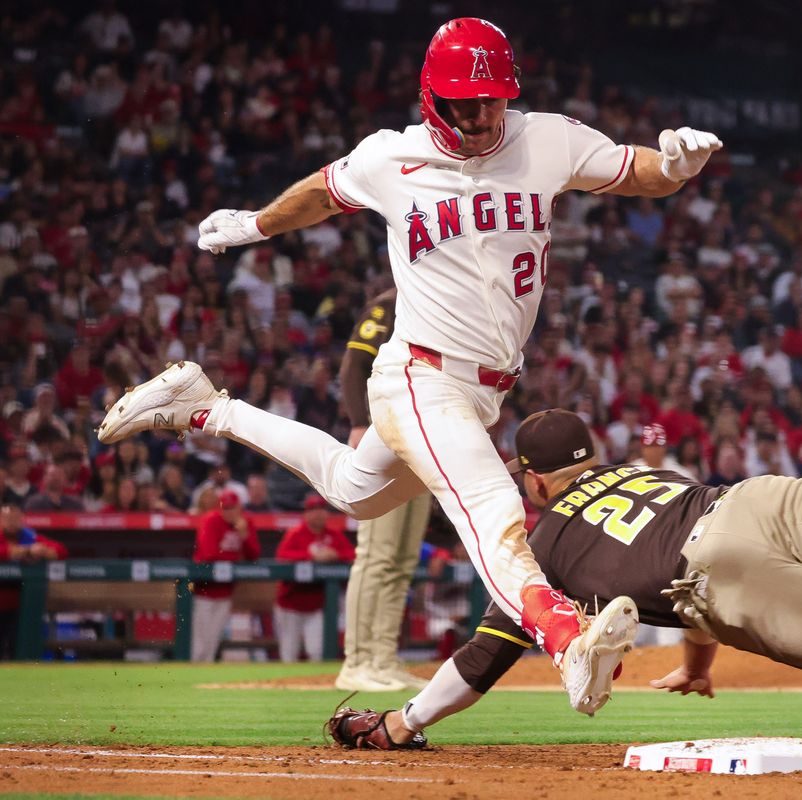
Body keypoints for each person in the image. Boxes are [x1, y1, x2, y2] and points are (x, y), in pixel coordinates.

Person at [97, 16, 722, 715]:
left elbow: (637, 171)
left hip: (481, 391)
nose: (484, 113)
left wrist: (674, 167)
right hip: (421, 375)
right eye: (468, 100)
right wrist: (253, 226)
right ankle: (567, 640)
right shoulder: (390, 158)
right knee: (492, 509)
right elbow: (320, 191)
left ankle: (206, 406)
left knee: (352, 490)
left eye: (494, 98)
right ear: (434, 97)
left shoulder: (545, 137)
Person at [327, 410, 802, 750]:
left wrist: (402, 724)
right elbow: (689, 545)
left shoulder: (536, 542)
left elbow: (484, 658)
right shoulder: (644, 470)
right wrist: (695, 665)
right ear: (591, 456)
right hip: (748, 498)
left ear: (532, 477)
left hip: (713, 576)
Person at [335, 288, 435, 692]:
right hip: (383, 438)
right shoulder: (392, 301)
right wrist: (359, 423)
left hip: (423, 442)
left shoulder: (437, 299)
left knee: (401, 560)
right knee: (375, 555)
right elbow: (353, 365)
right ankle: (356, 662)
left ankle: (382, 658)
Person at [274, 495, 356, 663]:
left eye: (322, 510)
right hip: (291, 605)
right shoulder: (296, 534)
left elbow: (352, 554)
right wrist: (311, 556)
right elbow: (282, 557)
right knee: (288, 653)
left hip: (317, 605)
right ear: (306, 514)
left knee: (317, 652)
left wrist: (335, 555)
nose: (318, 514)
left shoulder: (333, 535)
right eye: (313, 510)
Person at [191, 490, 261, 662]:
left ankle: (204, 675)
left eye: (233, 508)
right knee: (199, 641)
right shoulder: (211, 520)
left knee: (213, 639)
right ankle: (192, 673)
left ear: (239, 508)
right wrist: (236, 558)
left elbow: (254, 556)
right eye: (226, 508)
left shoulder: (245, 523)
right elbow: (209, 554)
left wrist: (245, 536)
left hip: (226, 591)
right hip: (203, 590)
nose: (229, 512)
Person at [0, 504, 67, 659]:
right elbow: (4, 551)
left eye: (15, 518)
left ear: (22, 519)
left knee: (17, 652)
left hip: (20, 608)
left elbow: (61, 550)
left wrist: (43, 551)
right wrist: (26, 551)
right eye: (7, 518)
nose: (11, 522)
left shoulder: (28, 536)